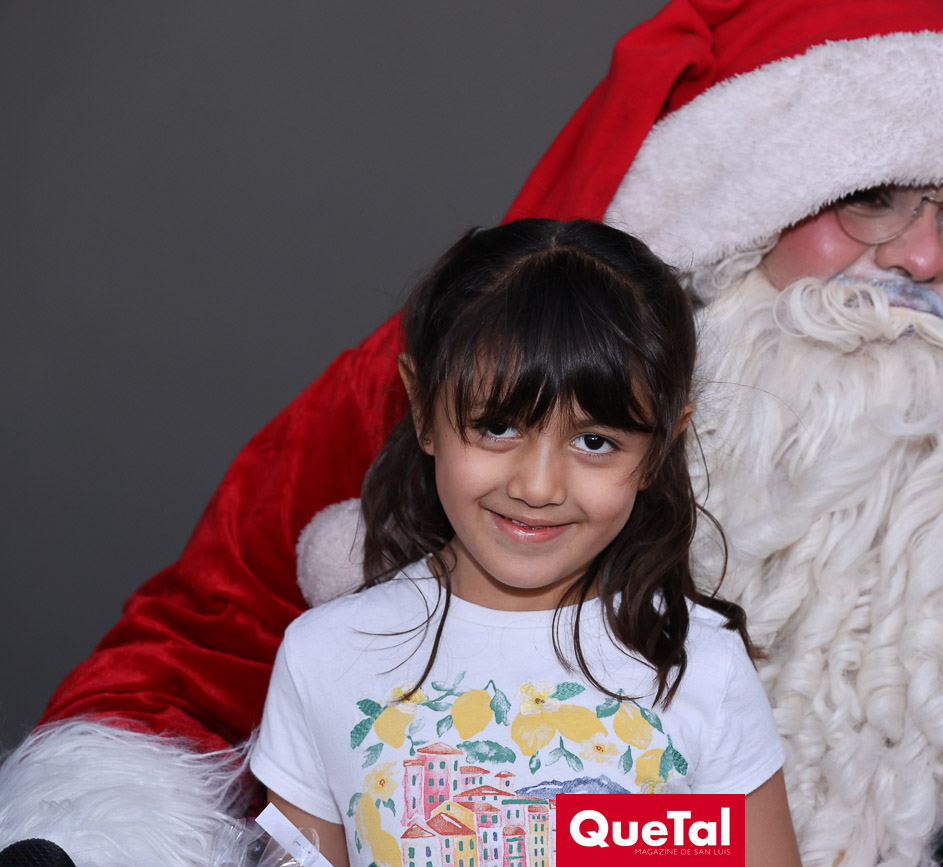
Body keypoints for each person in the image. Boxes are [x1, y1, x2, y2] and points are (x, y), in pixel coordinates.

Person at [1, 1, 943, 865]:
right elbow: (203, 644)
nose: (917, 256)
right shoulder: (484, 368)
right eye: (868, 197)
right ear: (747, 201)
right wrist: (95, 828)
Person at [250, 218, 798, 867]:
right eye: (498, 426)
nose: (537, 487)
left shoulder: (701, 665)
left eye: (594, 441)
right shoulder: (325, 655)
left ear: (659, 449)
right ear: (423, 409)